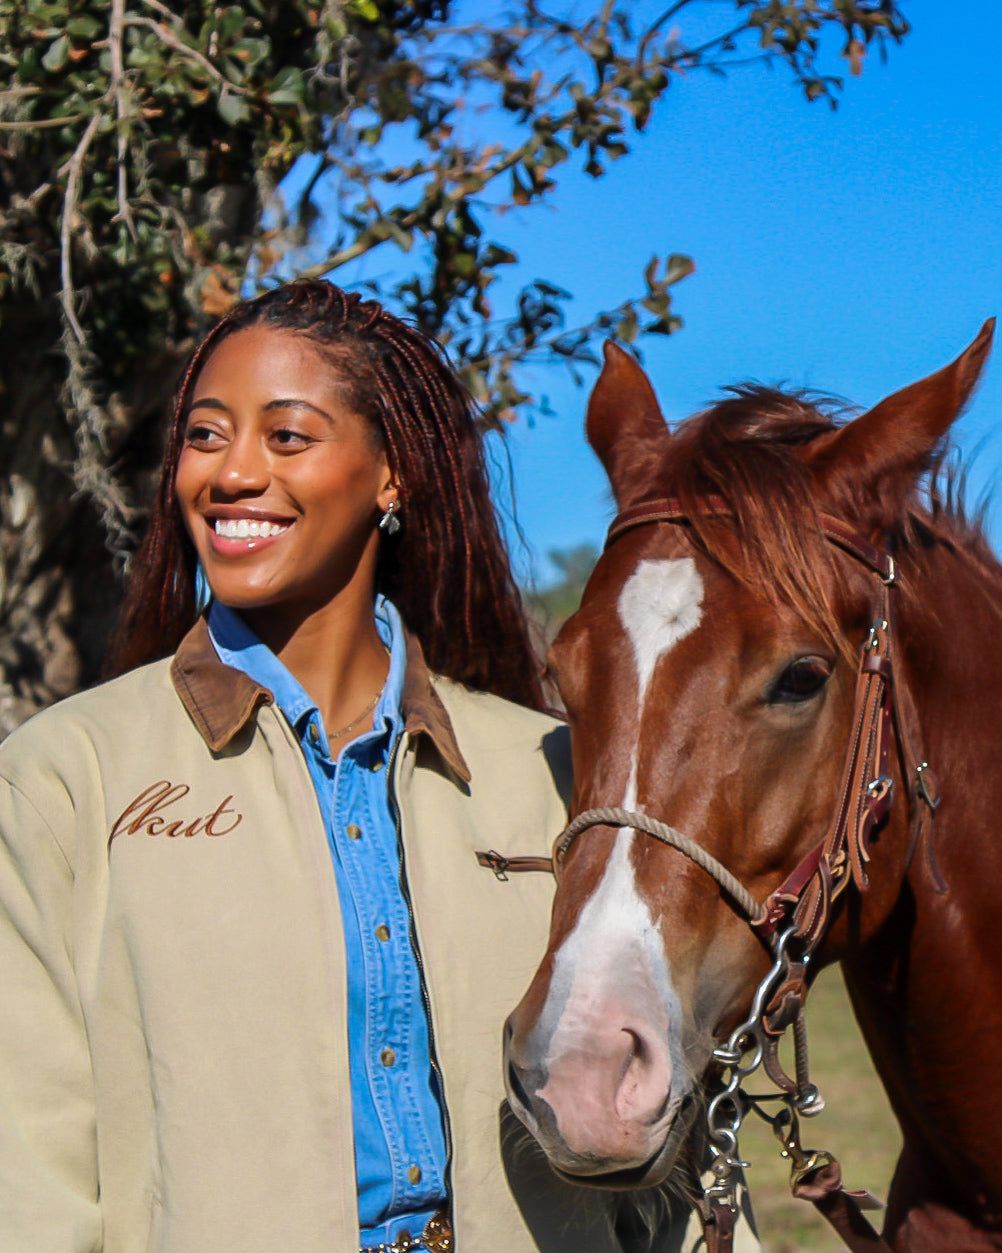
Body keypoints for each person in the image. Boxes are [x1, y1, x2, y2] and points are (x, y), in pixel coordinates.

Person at [0, 279, 722, 1253]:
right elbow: (28, 1171)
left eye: (285, 436)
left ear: (393, 474)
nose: (230, 472)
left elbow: (675, 1136)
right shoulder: (66, 775)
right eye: (206, 436)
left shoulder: (550, 766)